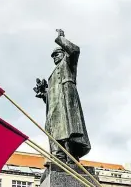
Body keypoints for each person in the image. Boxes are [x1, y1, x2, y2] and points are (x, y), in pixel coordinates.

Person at [33, 29, 91, 164]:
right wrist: (44, 95)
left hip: (66, 105)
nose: (54, 57)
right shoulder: (51, 75)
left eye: (57, 54)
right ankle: (58, 157)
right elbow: (52, 96)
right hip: (55, 109)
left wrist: (61, 39)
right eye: (53, 56)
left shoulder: (68, 63)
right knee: (54, 131)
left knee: (67, 130)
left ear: (64, 53)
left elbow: (75, 50)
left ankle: (71, 156)